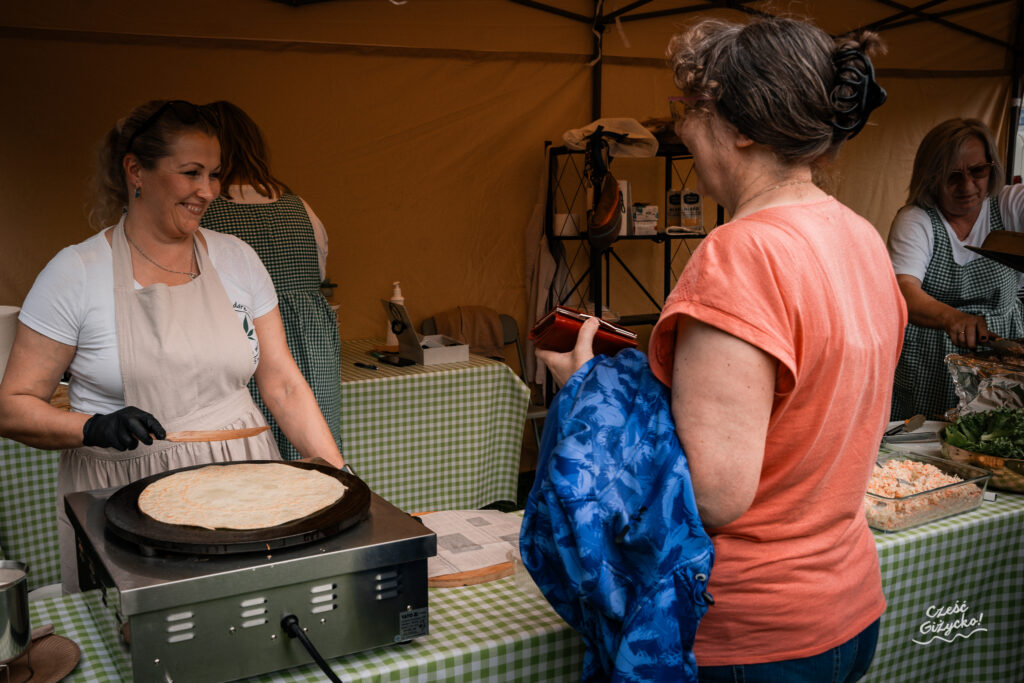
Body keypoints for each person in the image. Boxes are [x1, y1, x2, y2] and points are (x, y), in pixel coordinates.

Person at [538, 17, 905, 682]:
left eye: (689, 109)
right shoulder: (861, 238)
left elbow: (716, 493)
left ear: (740, 126)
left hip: (754, 632)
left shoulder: (741, 252)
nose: (681, 128)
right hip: (848, 606)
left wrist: (591, 391)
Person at [0, 99, 346, 591]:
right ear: (136, 171)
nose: (207, 191)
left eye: (214, 174)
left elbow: (283, 382)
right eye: (190, 173)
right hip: (123, 496)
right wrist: (93, 426)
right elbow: (11, 407)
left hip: (243, 474)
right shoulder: (75, 273)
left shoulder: (237, 258)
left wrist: (338, 474)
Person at [200, 101, 342, 460]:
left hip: (238, 338)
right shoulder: (301, 208)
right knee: (310, 453)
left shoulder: (201, 211)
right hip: (308, 343)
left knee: (247, 455)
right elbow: (319, 274)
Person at [888, 118, 1024, 420]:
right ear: (931, 176)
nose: (967, 186)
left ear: (991, 167)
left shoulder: (1007, 205)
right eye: (953, 176)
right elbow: (904, 291)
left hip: (1003, 361)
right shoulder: (917, 219)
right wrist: (954, 318)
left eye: (978, 171)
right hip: (930, 361)